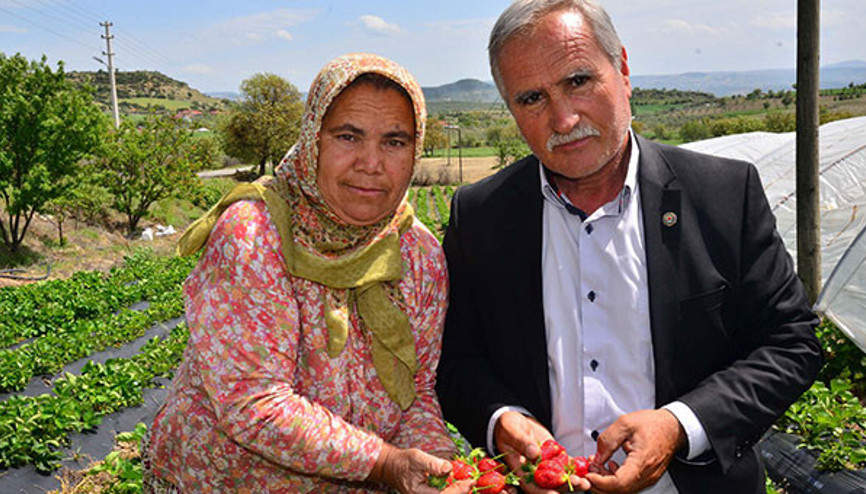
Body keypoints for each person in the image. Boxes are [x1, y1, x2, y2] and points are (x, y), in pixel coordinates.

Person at [435, 1, 823, 493]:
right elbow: (457, 360)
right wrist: (502, 419)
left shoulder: (723, 195)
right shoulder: (481, 214)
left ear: (622, 69)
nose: (564, 117)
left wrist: (680, 425)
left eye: (578, 81)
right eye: (532, 98)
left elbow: (791, 341)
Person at [143, 53, 475, 493]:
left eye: (394, 141)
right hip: (224, 480)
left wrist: (437, 465)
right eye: (348, 136)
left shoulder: (417, 255)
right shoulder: (255, 233)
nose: (371, 163)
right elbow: (255, 403)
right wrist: (389, 464)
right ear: (312, 139)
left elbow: (415, 393)